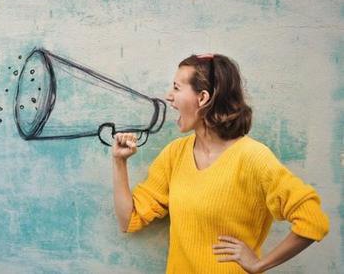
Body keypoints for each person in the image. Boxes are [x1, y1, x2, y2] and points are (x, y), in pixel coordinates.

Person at [111, 53, 329, 273]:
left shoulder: (254, 158)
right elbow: (128, 220)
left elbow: (313, 221)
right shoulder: (174, 154)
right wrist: (119, 161)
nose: (169, 96)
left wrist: (259, 264)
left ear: (203, 98)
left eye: (177, 88)